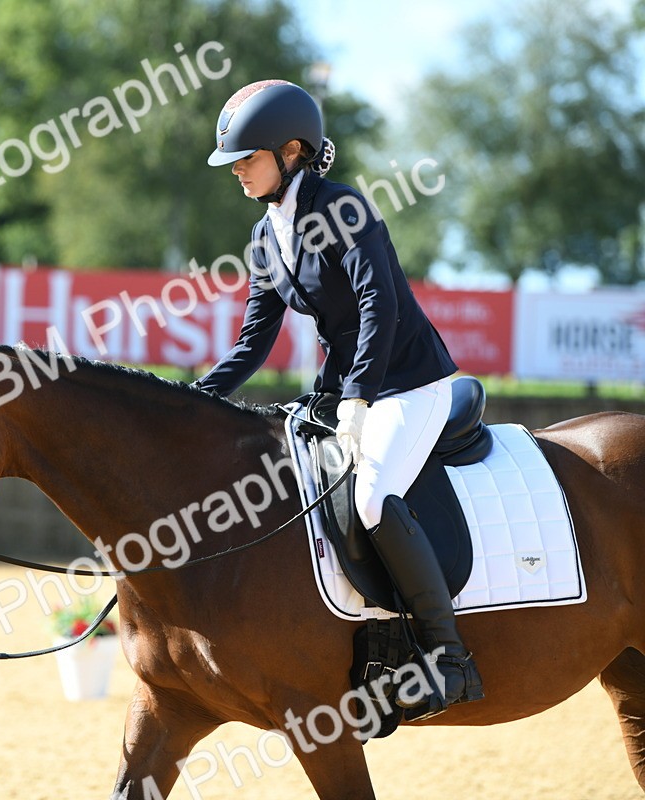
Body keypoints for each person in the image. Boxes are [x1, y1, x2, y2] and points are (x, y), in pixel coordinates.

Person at [192, 79, 483, 715]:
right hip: (345, 388)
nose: (237, 171)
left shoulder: (344, 208)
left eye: (247, 158)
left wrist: (358, 397)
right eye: (233, 162)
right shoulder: (266, 237)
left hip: (410, 384)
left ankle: (448, 656)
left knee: (373, 497)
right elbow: (253, 343)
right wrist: (191, 402)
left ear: (291, 150)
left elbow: (379, 305)